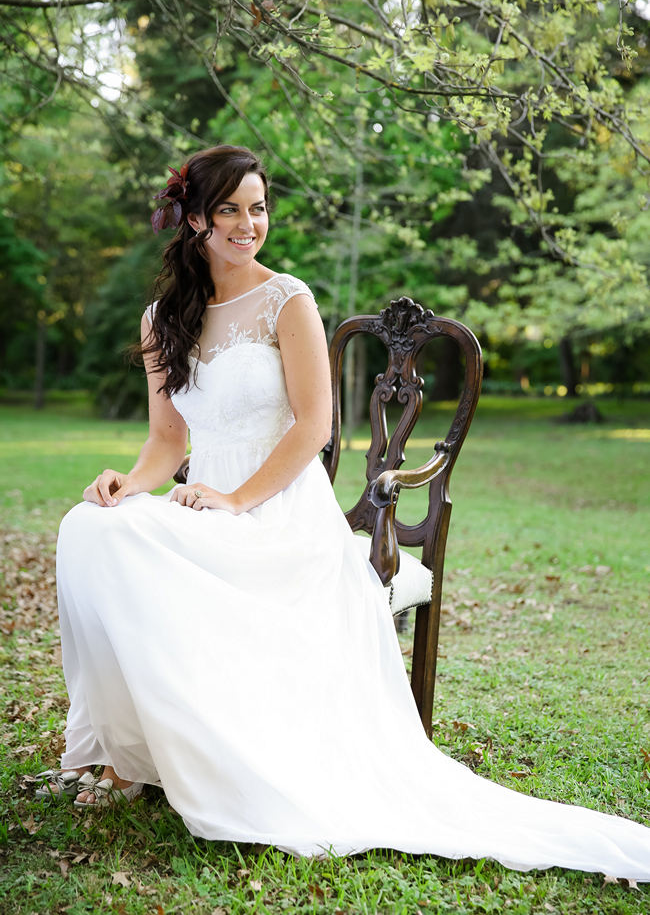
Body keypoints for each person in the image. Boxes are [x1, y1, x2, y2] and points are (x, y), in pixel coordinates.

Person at [39, 145, 650, 880]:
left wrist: (235, 500)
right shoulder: (160, 318)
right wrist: (126, 483)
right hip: (205, 506)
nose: (247, 223)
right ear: (195, 218)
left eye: (257, 207)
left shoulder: (285, 298)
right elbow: (167, 442)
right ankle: (130, 756)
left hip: (280, 516)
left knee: (138, 546)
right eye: (229, 208)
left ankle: (185, 753)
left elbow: (314, 428)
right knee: (92, 528)